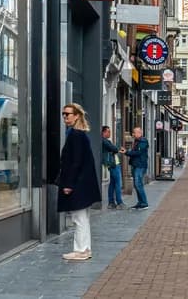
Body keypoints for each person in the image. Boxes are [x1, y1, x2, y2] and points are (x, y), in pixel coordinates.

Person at [56, 103, 102, 261]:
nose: (65, 117)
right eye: (63, 114)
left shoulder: (75, 134)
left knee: (79, 218)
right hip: (82, 183)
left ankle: (81, 250)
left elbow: (75, 162)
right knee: (82, 217)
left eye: (68, 114)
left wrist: (69, 184)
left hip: (78, 184)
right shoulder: (79, 134)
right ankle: (85, 249)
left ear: (76, 116)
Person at [124, 126, 149, 210]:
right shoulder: (137, 141)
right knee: (137, 184)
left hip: (140, 166)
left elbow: (138, 152)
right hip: (136, 165)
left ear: (140, 133)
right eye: (133, 132)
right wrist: (127, 152)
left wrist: (127, 152)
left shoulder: (143, 141)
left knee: (138, 184)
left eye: (134, 132)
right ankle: (140, 202)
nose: (133, 134)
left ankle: (144, 203)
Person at [101, 126, 125, 209]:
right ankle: (119, 203)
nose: (109, 133)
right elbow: (114, 149)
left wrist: (115, 149)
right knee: (118, 183)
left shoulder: (106, 141)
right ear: (103, 132)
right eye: (108, 131)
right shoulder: (104, 141)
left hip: (112, 164)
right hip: (113, 164)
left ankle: (111, 203)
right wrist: (115, 149)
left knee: (112, 184)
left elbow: (114, 149)